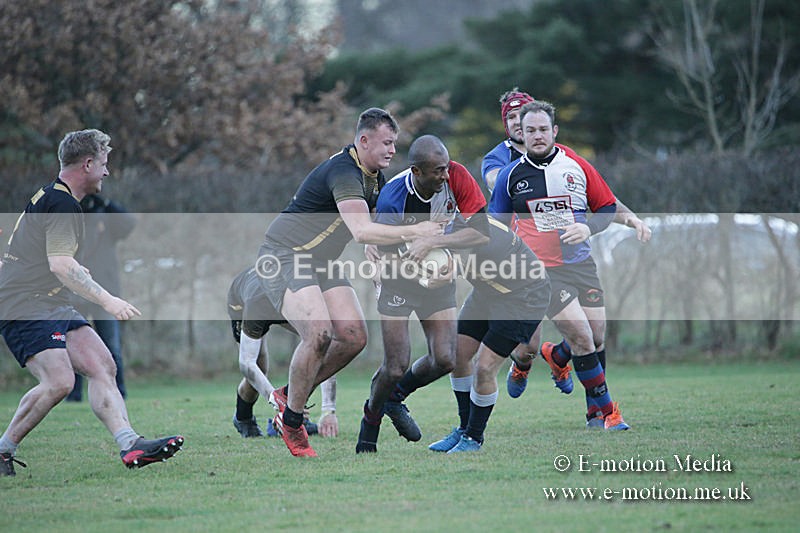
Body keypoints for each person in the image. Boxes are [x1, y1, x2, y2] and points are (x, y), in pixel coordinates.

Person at [258, 108, 443, 457]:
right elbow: (360, 231)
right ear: (364, 140)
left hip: (321, 261)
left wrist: (385, 258)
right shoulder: (344, 172)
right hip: (285, 254)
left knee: (354, 337)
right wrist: (417, 230)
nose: (392, 150)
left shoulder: (377, 178)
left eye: (394, 143)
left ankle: (288, 397)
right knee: (319, 333)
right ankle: (292, 421)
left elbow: (373, 232)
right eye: (386, 143)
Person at [0, 129, 183, 477]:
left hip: (50, 302)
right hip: (25, 304)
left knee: (102, 365)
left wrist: (66, 267)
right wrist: (108, 299)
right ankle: (3, 449)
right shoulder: (62, 203)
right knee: (59, 381)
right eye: (103, 163)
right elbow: (60, 264)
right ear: (87, 164)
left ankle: (130, 444)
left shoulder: (53, 196)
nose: (106, 172)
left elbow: (42, 255)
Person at [483, 88, 650, 412]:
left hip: (572, 259)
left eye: (526, 118)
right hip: (527, 263)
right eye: (513, 119)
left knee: (592, 336)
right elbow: (496, 189)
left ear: (550, 128)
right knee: (528, 346)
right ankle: (525, 365)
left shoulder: (566, 158)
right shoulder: (500, 163)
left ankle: (583, 392)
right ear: (510, 126)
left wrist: (630, 219)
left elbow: (600, 197)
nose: (519, 123)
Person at [355, 135, 490, 454]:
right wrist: (422, 272)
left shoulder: (457, 176)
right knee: (395, 365)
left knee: (446, 359)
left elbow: (481, 233)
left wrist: (440, 249)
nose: (446, 175)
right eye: (438, 171)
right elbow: (384, 258)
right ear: (417, 171)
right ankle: (371, 419)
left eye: (446, 167)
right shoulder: (394, 198)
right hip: (397, 280)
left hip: (438, 278)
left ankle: (394, 398)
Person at [428, 217, 551, 453]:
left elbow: (455, 266)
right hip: (489, 291)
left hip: (523, 298)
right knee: (457, 355)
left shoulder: (486, 245)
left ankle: (473, 438)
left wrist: (440, 272)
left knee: (484, 367)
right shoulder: (459, 220)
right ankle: (464, 428)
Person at [227, 266, 338, 438]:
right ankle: (243, 418)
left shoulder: (304, 294)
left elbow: (324, 347)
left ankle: (295, 414)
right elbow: (246, 363)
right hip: (243, 303)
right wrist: (277, 401)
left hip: (277, 300)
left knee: (318, 343)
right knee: (259, 367)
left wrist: (328, 410)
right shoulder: (257, 304)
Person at [66, 193, 136, 402]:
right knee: (74, 346)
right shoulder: (70, 218)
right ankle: (73, 395)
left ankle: (118, 392)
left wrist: (106, 204)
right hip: (76, 291)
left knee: (111, 346)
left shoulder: (105, 216)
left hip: (106, 292)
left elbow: (129, 224)